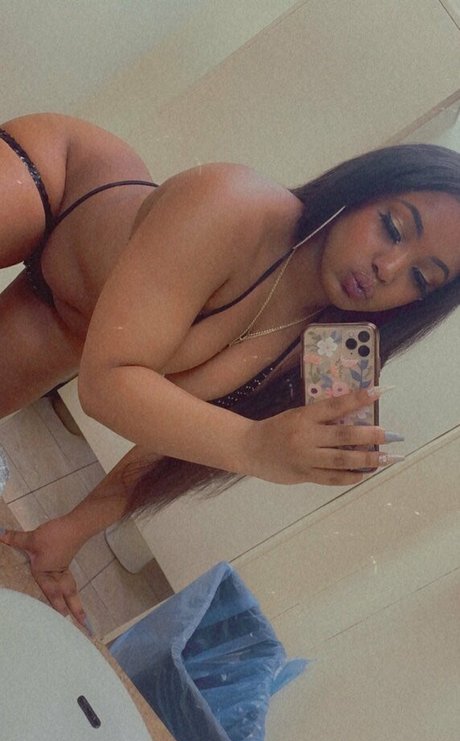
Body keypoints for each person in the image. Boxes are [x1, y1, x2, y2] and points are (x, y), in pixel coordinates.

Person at [0, 112, 459, 625]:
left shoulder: (330, 351)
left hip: (65, 319)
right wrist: (255, 445)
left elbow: (169, 444)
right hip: (60, 185)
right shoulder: (235, 204)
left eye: (420, 278)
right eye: (393, 228)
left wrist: (67, 533)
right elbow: (105, 384)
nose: (387, 269)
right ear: (362, 191)